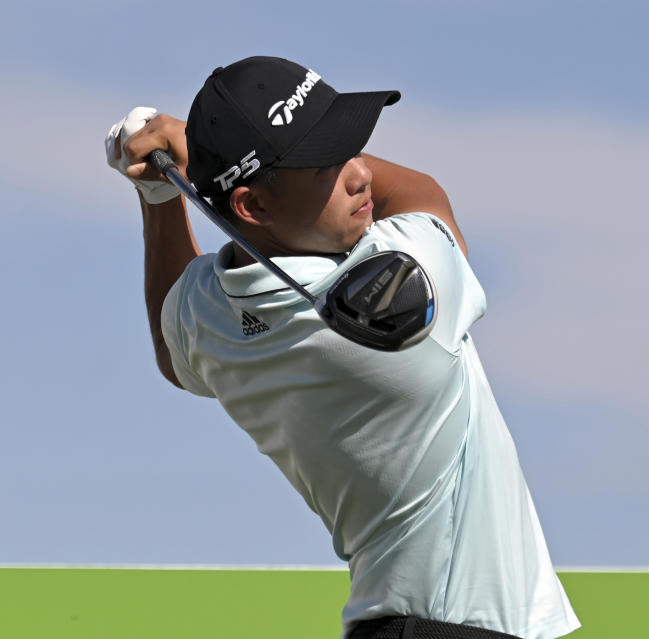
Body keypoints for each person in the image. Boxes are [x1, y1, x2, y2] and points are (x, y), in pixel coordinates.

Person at [105, 56, 580, 639]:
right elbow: (425, 192)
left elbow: (169, 343)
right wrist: (191, 165)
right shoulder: (407, 283)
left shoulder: (212, 320)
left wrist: (162, 195)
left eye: (351, 148)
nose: (359, 176)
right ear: (252, 206)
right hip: (465, 627)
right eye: (324, 164)